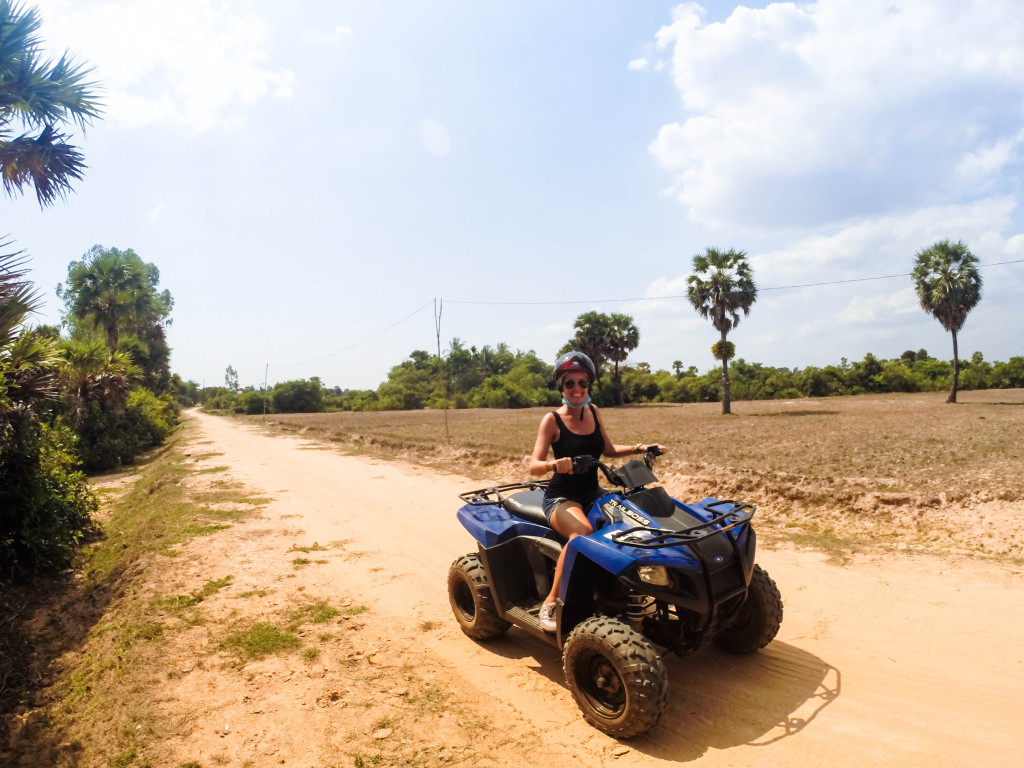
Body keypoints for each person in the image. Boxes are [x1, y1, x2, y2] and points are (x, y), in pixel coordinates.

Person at [528, 351, 665, 631]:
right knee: (584, 535)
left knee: (640, 523)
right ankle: (552, 601)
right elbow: (533, 466)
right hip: (561, 498)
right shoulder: (551, 420)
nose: (577, 389)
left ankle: (627, 589)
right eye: (570, 384)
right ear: (561, 387)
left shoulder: (593, 411)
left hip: (594, 492)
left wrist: (642, 447)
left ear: (589, 385)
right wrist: (556, 464)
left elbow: (609, 450)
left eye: (582, 383)